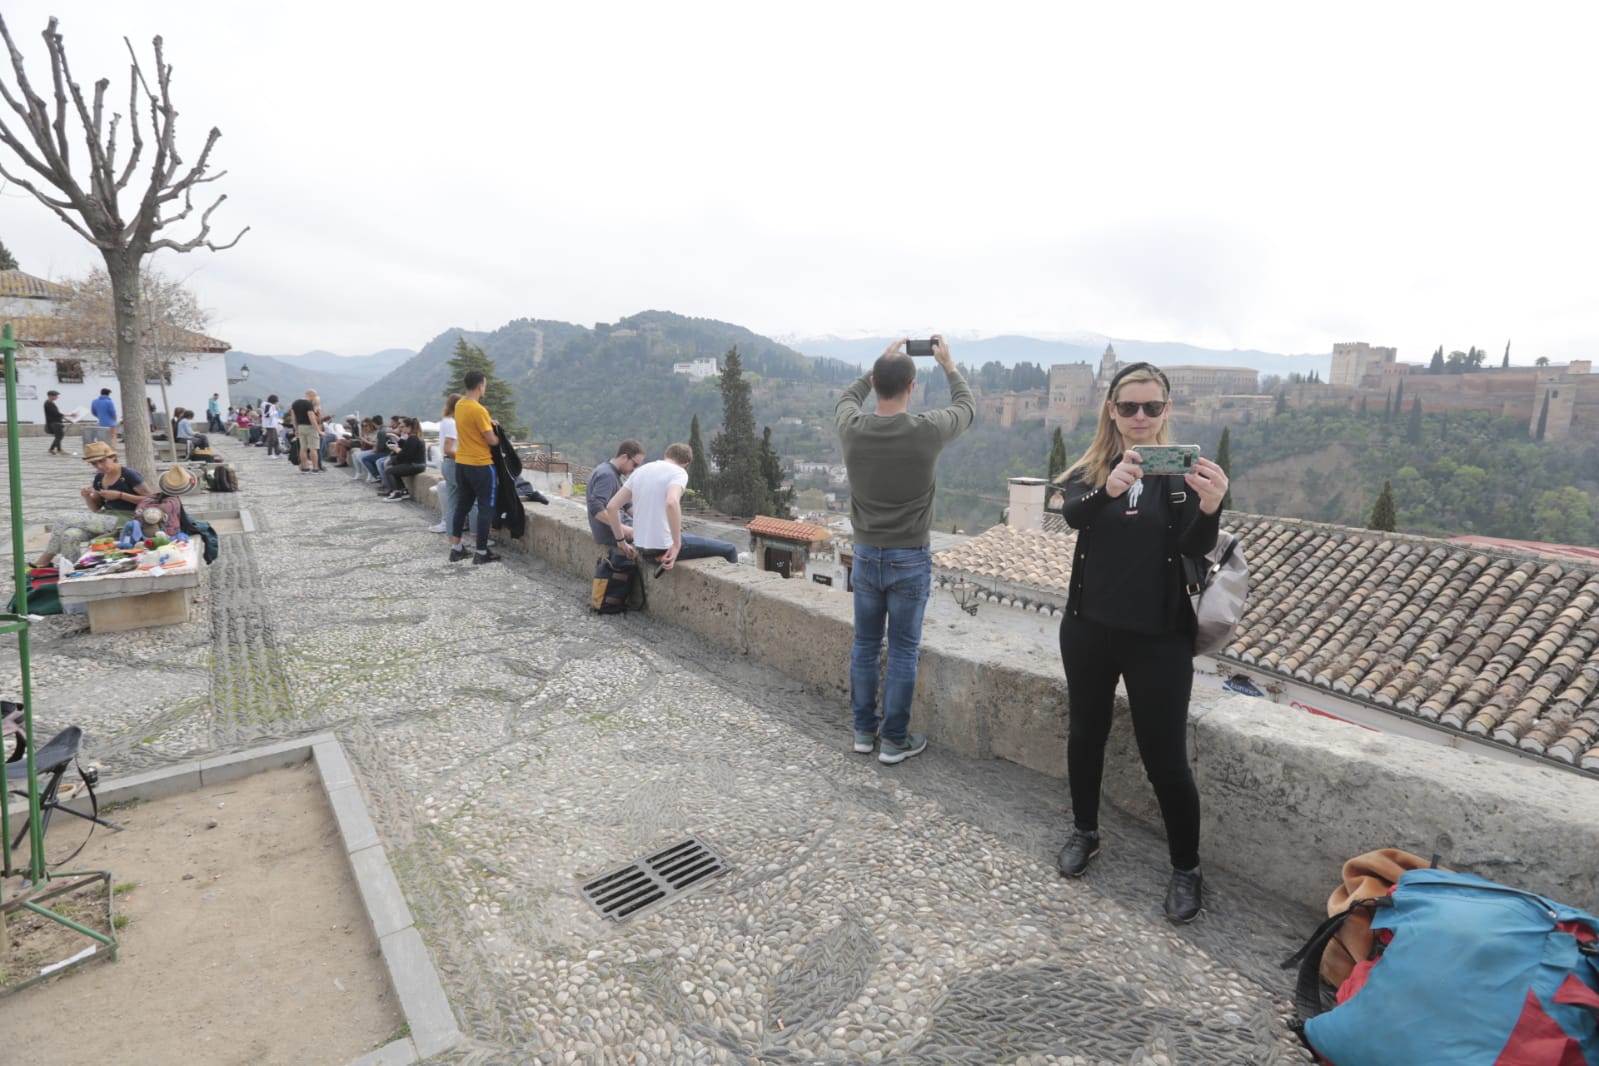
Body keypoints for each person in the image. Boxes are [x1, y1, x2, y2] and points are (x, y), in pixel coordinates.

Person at [1051, 361, 1229, 924]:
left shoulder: (1181, 475)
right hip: (1089, 629)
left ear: (1167, 411)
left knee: (1166, 761)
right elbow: (1073, 515)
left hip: (1159, 639)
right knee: (1085, 735)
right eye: (1129, 407)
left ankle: (1186, 867)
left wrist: (1212, 505)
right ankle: (1085, 831)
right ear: (1112, 411)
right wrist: (1109, 488)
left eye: (1152, 407)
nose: (1140, 418)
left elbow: (1195, 546)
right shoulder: (1091, 469)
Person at [836, 335, 975, 765]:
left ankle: (864, 731)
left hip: (864, 555)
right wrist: (949, 365)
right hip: (910, 558)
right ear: (912, 387)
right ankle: (894, 739)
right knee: (902, 649)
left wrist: (877, 367)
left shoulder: (852, 429)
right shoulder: (926, 431)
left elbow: (846, 398)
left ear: (876, 383)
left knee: (864, 645)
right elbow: (966, 407)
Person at [603, 443, 737, 569]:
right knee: (729, 549)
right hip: (662, 548)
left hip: (642, 548)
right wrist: (676, 545)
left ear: (666, 456)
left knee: (688, 536)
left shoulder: (640, 471)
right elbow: (672, 502)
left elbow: (612, 507)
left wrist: (621, 542)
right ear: (686, 463)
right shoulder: (679, 472)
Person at [34, 441, 155, 568]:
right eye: (94, 463)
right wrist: (87, 496)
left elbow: (150, 499)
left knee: (64, 519)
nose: (99, 466)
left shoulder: (128, 474)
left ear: (112, 457)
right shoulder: (99, 478)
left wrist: (120, 495)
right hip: (106, 518)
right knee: (70, 534)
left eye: (102, 461)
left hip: (126, 519)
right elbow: (96, 508)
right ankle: (72, 568)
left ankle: (44, 560)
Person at [448, 372, 501, 565]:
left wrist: (488, 423)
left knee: (462, 505)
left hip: (462, 463)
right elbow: (491, 440)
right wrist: (498, 433)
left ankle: (456, 549)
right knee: (486, 507)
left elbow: (471, 427)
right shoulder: (479, 410)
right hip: (480, 465)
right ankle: (481, 551)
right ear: (480, 386)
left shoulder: (460, 405)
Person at [431, 395, 476, 535]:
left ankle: (453, 538)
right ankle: (478, 536)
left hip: (448, 464)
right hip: (455, 464)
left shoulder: (446, 421)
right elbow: (448, 449)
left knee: (452, 503)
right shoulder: (451, 423)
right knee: (473, 499)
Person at [587, 440, 646, 546]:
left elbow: (627, 505)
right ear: (624, 457)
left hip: (619, 527)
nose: (634, 470)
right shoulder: (607, 475)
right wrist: (624, 529)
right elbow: (595, 508)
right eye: (634, 464)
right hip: (613, 533)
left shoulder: (610, 471)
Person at [380, 417, 427, 500]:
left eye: (402, 427)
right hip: (418, 464)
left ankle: (397, 493)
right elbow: (406, 446)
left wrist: (395, 449)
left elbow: (406, 456)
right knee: (394, 469)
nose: (401, 429)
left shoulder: (413, 438)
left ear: (409, 427)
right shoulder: (414, 437)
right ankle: (404, 491)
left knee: (389, 471)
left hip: (415, 465)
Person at [290, 390, 322, 472]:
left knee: (303, 448)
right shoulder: (308, 404)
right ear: (311, 395)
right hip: (310, 428)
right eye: (315, 396)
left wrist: (296, 429)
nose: (315, 398)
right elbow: (311, 417)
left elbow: (293, 418)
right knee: (313, 448)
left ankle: (305, 467)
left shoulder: (295, 403)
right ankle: (315, 468)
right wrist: (318, 430)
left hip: (300, 427)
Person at [43, 390, 65, 455]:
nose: (57, 397)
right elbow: (56, 414)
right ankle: (52, 449)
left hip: (54, 422)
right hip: (54, 423)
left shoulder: (50, 403)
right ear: (50, 396)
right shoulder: (48, 403)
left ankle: (58, 449)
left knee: (58, 436)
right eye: (55, 395)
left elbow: (55, 414)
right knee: (59, 436)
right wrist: (68, 416)